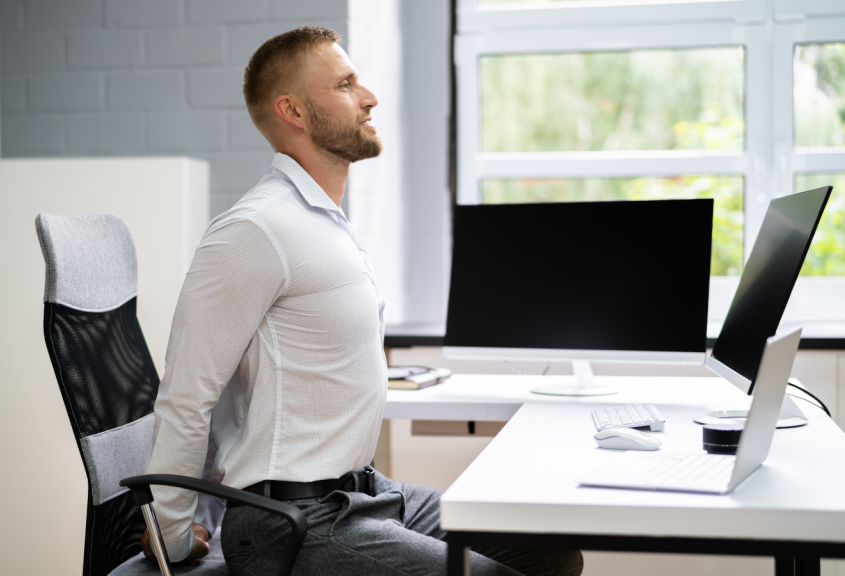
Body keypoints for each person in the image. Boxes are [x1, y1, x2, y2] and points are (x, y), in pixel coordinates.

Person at [144, 25, 583, 576]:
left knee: (551, 554)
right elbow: (189, 397)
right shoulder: (254, 230)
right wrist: (177, 535)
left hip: (365, 495)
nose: (370, 96)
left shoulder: (322, 223)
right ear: (295, 112)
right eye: (347, 83)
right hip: (290, 521)